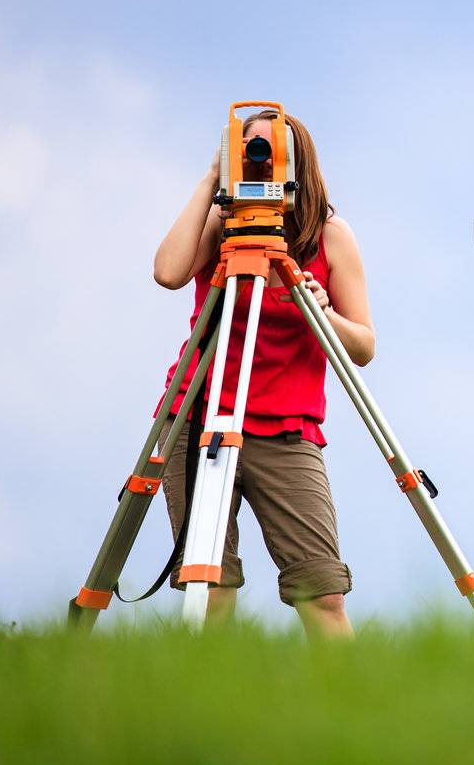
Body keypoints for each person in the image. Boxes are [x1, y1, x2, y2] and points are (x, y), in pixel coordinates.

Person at [151, 109, 374, 640]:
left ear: (299, 161)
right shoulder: (221, 224)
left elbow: (363, 346)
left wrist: (320, 311)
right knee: (212, 590)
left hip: (286, 431)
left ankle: (355, 709)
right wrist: (212, 181)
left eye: (270, 150)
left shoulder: (329, 237)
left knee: (322, 593)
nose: (259, 161)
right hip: (199, 417)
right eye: (247, 149)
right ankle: (214, 707)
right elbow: (167, 273)